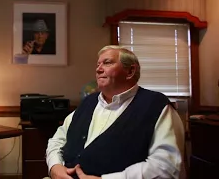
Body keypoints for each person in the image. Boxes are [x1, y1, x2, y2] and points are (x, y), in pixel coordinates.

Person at [45, 45, 185, 179]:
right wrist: (55, 166)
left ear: (130, 71)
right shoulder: (87, 103)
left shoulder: (156, 106)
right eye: (98, 65)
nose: (99, 69)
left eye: (107, 63)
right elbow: (57, 140)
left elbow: (166, 166)